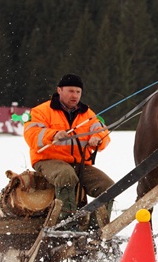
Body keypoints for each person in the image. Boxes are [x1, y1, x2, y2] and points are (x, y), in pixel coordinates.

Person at [24, 73, 114, 229]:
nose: (75, 95)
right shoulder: (41, 111)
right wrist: (53, 135)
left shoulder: (87, 114)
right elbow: (31, 135)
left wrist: (98, 139)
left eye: (78, 92)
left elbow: (102, 133)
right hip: (47, 160)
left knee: (109, 186)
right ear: (59, 90)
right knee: (66, 175)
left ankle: (96, 229)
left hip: (79, 163)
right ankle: (67, 226)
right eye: (71, 91)